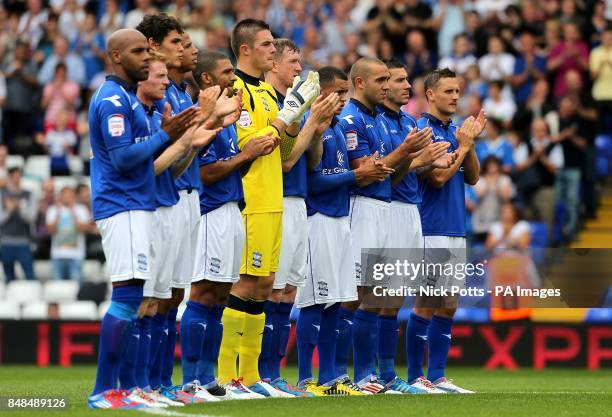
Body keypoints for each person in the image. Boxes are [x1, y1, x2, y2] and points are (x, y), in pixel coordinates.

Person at [87, 28, 197, 409]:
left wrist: (169, 136)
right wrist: (166, 135)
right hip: (124, 205)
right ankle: (105, 390)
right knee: (128, 298)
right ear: (116, 56)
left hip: (138, 205)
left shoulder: (129, 101)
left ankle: (128, 388)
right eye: (138, 53)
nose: (147, 60)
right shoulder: (112, 100)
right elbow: (124, 159)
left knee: (136, 300)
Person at [215, 18, 318, 398]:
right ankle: (227, 375)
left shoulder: (268, 92)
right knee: (246, 282)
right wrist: (282, 119)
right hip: (251, 198)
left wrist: (293, 117)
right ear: (245, 49)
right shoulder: (237, 88)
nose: (272, 50)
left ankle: (252, 375)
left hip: (273, 197)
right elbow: (252, 144)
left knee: (262, 286)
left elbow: (286, 153)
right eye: (266, 45)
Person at [181, 50, 278, 400]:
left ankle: (207, 377)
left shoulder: (224, 119)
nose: (233, 78)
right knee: (203, 293)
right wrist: (246, 155)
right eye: (226, 72)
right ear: (206, 79)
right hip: (210, 212)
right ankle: (191, 378)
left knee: (221, 295)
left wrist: (255, 151)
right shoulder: (202, 118)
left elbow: (231, 166)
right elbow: (204, 173)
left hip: (231, 208)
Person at [336, 57, 431, 393]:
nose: (391, 86)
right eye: (384, 80)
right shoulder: (352, 119)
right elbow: (366, 172)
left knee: (382, 296)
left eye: (393, 80)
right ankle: (353, 374)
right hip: (363, 209)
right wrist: (408, 153)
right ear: (361, 82)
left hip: (385, 207)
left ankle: (382, 375)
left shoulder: (378, 119)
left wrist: (410, 158)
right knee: (359, 295)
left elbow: (388, 171)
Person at [376, 59, 455, 393]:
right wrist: (428, 159)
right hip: (397, 214)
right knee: (380, 298)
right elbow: (385, 173)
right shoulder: (376, 122)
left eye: (408, 80)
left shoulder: (407, 122)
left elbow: (425, 170)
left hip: (419, 215)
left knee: (417, 300)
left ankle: (415, 377)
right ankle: (384, 375)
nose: (406, 86)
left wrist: (461, 146)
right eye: (399, 80)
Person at [260, 38, 333, 396]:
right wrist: (309, 121)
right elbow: (286, 160)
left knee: (288, 292)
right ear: (273, 63)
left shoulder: (294, 106)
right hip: (278, 200)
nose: (298, 69)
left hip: (298, 201)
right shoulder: (270, 103)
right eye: (292, 61)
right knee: (272, 290)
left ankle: (274, 375)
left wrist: (316, 127)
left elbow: (312, 160)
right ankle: (262, 374)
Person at [407, 68, 485, 394]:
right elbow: (436, 178)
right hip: (432, 227)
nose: (455, 96)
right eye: (449, 91)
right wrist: (463, 148)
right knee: (427, 302)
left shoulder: (454, 130)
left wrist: (470, 144)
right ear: (430, 95)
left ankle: (437, 376)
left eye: (457, 91)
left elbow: (473, 177)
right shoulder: (421, 131)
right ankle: (415, 377)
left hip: (456, 226)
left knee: (449, 304)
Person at [46, 186, 90, 281]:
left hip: (76, 256)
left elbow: (84, 229)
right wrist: (58, 214)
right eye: (65, 196)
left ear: (74, 196)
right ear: (60, 197)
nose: (67, 198)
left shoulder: (81, 210)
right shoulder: (53, 210)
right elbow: (50, 230)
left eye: (69, 196)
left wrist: (73, 213)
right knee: (58, 290)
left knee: (76, 288)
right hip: (58, 256)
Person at [0, 167, 36, 282]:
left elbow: (32, 217)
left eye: (19, 176)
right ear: (10, 178)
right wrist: (9, 210)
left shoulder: (28, 194)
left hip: (24, 241)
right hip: (6, 241)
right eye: (15, 176)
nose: (17, 179)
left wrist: (19, 208)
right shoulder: (2, 195)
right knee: (9, 276)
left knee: (30, 275)